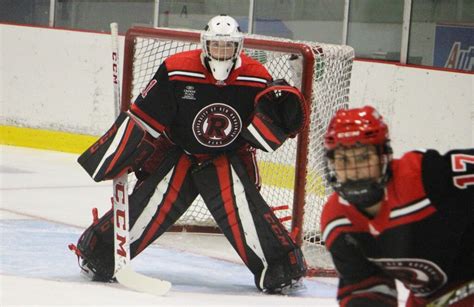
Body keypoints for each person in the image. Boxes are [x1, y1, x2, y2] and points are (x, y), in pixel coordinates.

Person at [69, 14, 308, 294]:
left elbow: (264, 124)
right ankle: (99, 255)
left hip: (226, 158)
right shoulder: (177, 69)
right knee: (149, 206)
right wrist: (117, 154)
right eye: (217, 46)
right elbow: (143, 118)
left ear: (238, 47)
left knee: (244, 212)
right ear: (205, 45)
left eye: (228, 47)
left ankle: (281, 268)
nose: (221, 53)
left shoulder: (256, 76)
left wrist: (279, 123)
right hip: (180, 152)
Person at [320, 105, 474, 306]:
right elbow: (366, 287)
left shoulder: (425, 176)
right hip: (432, 298)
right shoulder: (338, 219)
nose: (354, 170)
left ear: (384, 155)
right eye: (343, 160)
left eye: (363, 157)